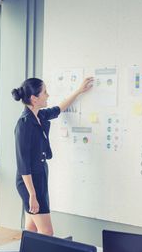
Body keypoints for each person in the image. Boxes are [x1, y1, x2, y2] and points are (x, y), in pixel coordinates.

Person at [12, 77, 93, 235]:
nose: (48, 95)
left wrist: (79, 91)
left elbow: (59, 108)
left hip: (40, 176)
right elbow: (23, 164)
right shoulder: (24, 124)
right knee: (47, 232)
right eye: (45, 92)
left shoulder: (39, 116)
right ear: (34, 98)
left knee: (32, 229)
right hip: (30, 182)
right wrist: (32, 194)